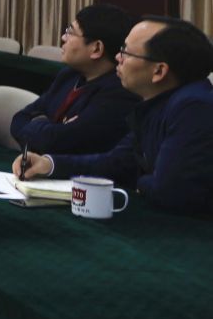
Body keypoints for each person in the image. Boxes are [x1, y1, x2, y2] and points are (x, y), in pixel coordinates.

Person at [16, 17, 213, 215]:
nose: (118, 57)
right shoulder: (156, 102)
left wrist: (139, 182)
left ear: (159, 71)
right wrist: (49, 164)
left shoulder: (194, 108)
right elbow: (118, 162)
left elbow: (169, 191)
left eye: (126, 52)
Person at [10, 4, 137, 154]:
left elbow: (57, 143)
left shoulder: (118, 94)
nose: (63, 38)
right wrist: (51, 128)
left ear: (96, 48)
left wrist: (40, 124)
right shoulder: (68, 75)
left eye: (70, 32)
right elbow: (19, 119)